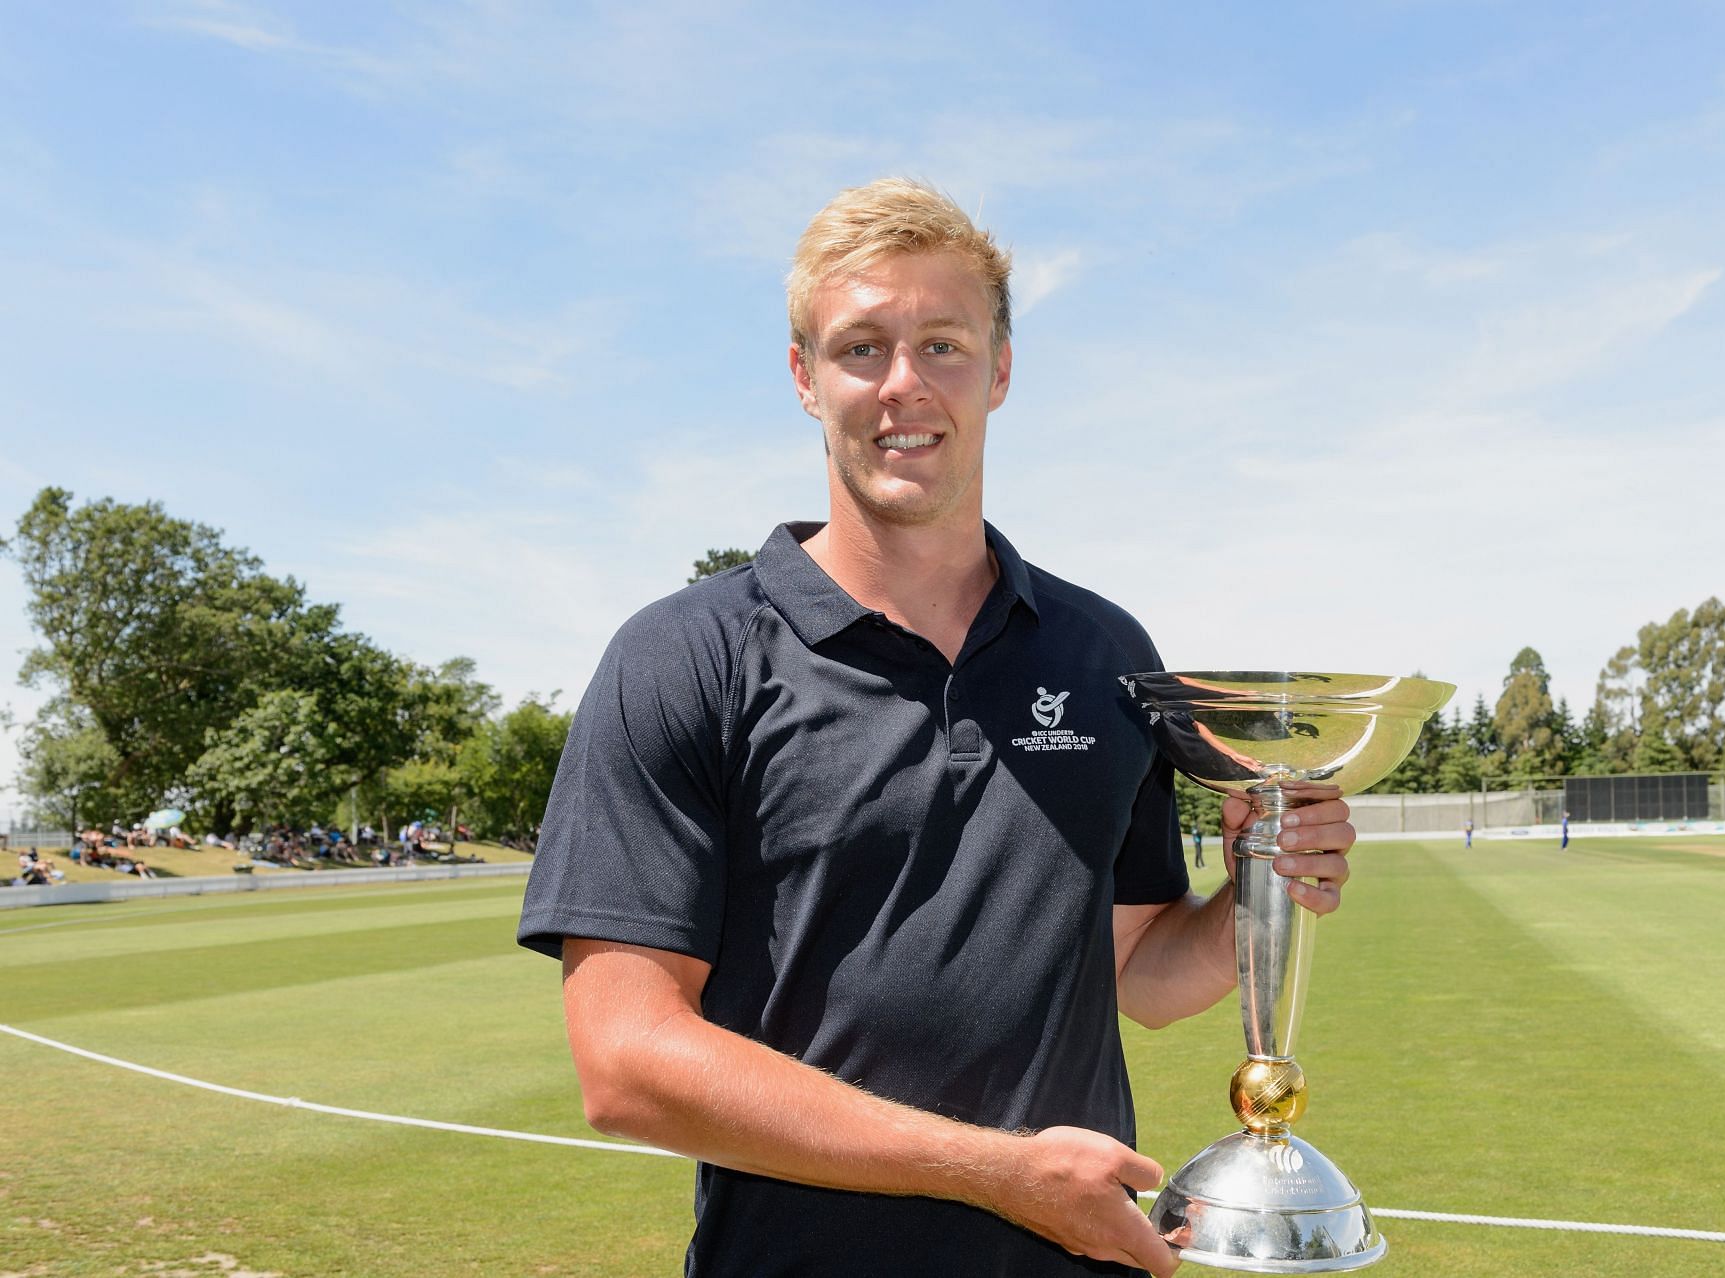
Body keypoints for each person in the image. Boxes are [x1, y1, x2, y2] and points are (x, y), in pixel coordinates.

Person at [517, 179, 1358, 1278]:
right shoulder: (685, 656)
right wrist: (994, 1172)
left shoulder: (1103, 654)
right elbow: (626, 1062)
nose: (902, 385)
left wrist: (1264, 875)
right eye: (861, 347)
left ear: (1000, 371)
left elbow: (1136, 971)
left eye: (944, 344)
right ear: (804, 379)